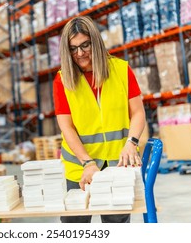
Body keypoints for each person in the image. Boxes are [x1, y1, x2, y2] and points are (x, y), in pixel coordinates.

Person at [53, 16, 146, 223]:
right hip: (79, 165)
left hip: (117, 164)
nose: (79, 53)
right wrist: (87, 163)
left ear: (95, 41)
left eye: (85, 45)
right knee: (74, 225)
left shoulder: (121, 70)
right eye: (73, 48)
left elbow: (138, 113)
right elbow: (66, 127)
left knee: (116, 224)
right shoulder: (62, 80)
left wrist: (132, 143)